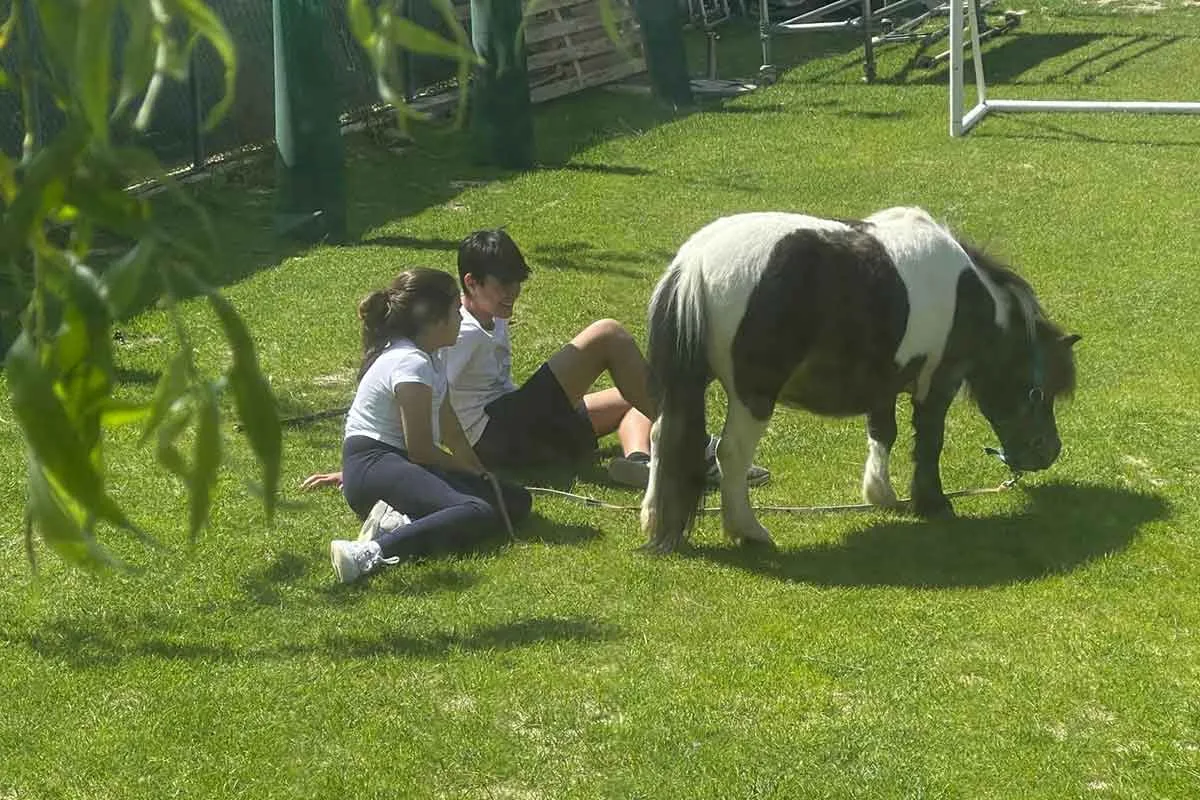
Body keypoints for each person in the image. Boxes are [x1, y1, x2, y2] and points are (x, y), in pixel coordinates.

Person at [301, 228, 770, 491]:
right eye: (503, 285)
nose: (513, 294)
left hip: (519, 428)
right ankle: (698, 447)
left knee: (630, 400)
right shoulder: (455, 334)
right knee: (606, 335)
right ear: (471, 283)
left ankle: (639, 461)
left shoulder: (487, 317)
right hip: (496, 435)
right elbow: (418, 408)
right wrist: (369, 466)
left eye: (517, 283)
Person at [325, 267, 531, 584]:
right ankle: (368, 553)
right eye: (455, 310)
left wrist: (479, 471)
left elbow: (452, 432)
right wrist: (465, 474)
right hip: (373, 465)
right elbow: (420, 450)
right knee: (477, 510)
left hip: (398, 462)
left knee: (514, 500)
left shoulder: (432, 359)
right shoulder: (411, 362)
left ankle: (402, 520)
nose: (462, 318)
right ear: (434, 318)